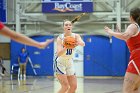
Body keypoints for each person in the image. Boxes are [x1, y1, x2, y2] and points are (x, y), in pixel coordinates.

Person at [104, 8, 140, 93]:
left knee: (127, 90)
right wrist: (119, 34)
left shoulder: (133, 25)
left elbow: (125, 36)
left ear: (131, 17)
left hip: (137, 58)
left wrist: (111, 32)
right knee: (135, 89)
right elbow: (129, 38)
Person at [54, 19, 85, 93]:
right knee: (65, 86)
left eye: (70, 25)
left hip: (69, 62)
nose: (68, 26)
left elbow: (83, 43)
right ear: (63, 27)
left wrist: (77, 42)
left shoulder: (76, 36)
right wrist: (66, 46)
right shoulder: (60, 38)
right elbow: (59, 53)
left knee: (74, 87)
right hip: (60, 62)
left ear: (72, 26)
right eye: (66, 25)